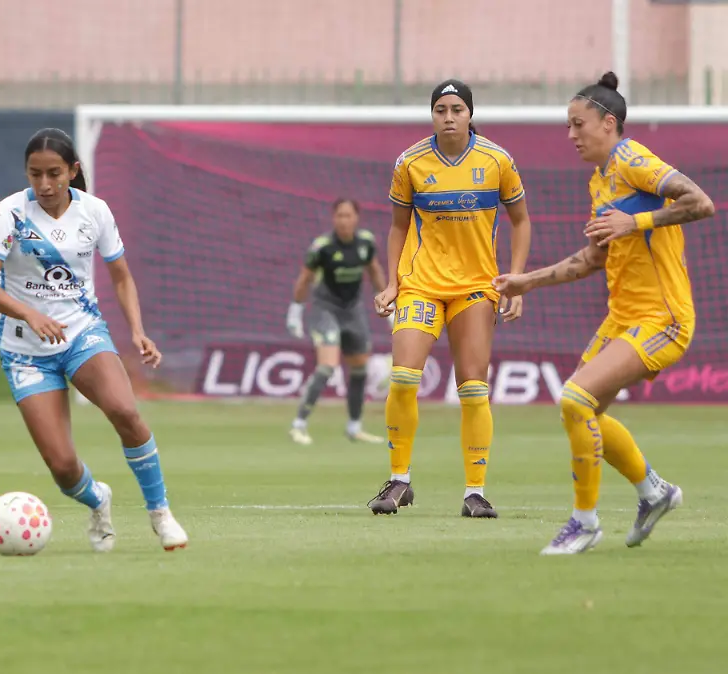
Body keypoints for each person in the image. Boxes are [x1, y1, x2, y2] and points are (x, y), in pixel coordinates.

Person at [494, 72, 714, 554]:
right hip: (623, 318)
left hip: (664, 319)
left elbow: (701, 202)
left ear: (608, 122)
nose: (571, 135)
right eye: (568, 126)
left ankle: (584, 523)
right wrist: (526, 281)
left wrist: (636, 220)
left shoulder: (634, 160)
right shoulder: (600, 182)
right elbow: (593, 259)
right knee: (581, 409)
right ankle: (654, 492)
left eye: (578, 124)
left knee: (575, 399)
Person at [0, 128, 189, 553]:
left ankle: (160, 513)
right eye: (35, 174)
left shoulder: (95, 211)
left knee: (125, 411)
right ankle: (98, 500)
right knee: (63, 466)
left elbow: (121, 276)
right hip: (25, 353)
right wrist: (29, 313)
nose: (45, 184)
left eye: (54, 173)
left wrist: (137, 330)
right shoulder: (8, 213)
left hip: (81, 335)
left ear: (72, 171)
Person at [370, 79, 534, 518]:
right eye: (440, 109)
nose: (448, 117)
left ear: (470, 114)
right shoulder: (410, 162)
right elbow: (398, 227)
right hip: (421, 284)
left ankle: (474, 492)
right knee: (403, 378)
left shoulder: (497, 160)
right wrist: (393, 284)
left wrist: (516, 280)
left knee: (474, 389)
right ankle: (399, 481)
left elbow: (521, 221)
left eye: (456, 109)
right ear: (432, 115)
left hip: (475, 288)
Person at [286, 198, 387, 445]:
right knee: (327, 366)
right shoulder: (322, 247)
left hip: (352, 311)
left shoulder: (366, 243)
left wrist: (388, 306)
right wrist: (295, 311)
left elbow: (374, 270)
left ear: (356, 218)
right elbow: (304, 279)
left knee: (359, 368)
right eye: (340, 216)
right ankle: (298, 425)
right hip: (325, 310)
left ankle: (354, 427)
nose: (344, 221)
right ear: (333, 218)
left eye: (348, 215)